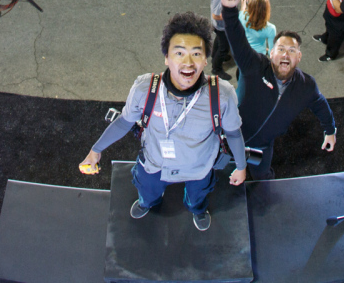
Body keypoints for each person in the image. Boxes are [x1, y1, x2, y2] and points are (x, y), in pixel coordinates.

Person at [79, 12, 247, 232]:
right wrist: (96, 150)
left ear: (206, 59)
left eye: (196, 53)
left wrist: (242, 167)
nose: (188, 62)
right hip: (155, 163)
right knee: (147, 192)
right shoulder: (144, 89)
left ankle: (196, 208)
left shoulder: (222, 95)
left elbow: (234, 133)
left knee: (198, 197)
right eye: (179, 53)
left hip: (199, 167)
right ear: (166, 58)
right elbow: (124, 122)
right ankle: (147, 202)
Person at [215, 0, 336, 180]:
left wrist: (330, 130)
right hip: (230, 140)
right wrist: (229, 11)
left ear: (299, 57)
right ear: (271, 52)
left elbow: (320, 104)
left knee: (262, 177)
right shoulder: (254, 66)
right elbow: (237, 40)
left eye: (292, 50)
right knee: (221, 178)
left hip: (262, 147)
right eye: (281, 49)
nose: (286, 54)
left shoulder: (306, 86)